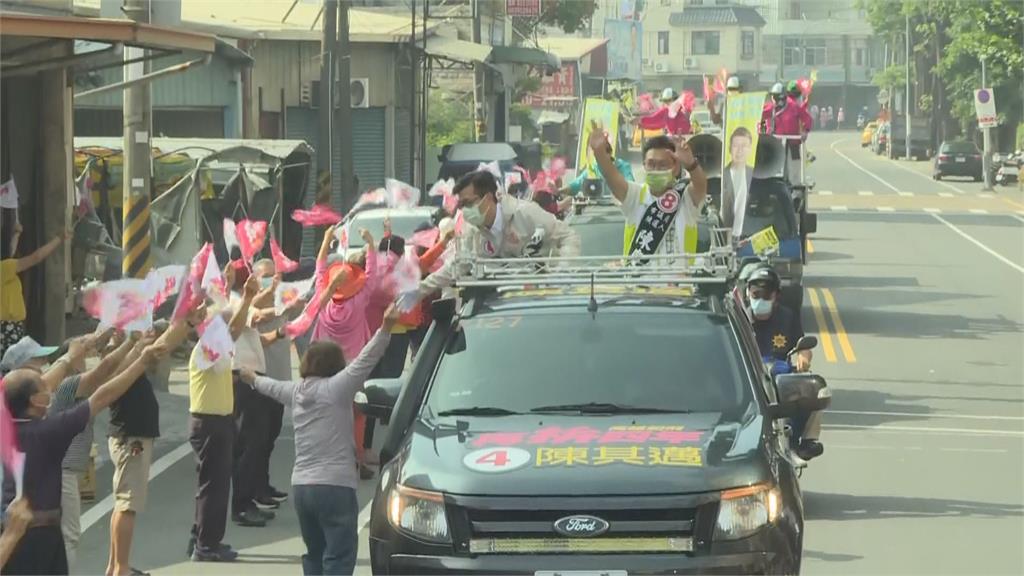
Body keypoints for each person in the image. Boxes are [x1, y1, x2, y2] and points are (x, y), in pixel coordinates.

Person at [238, 305, 399, 576]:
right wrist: (385, 328)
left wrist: (249, 376)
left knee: (314, 554)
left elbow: (266, 385)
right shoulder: (338, 388)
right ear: (336, 365)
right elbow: (367, 358)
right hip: (336, 485)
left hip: (302, 487)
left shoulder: (294, 392)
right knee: (338, 555)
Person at [1, 335, 168, 575]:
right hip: (41, 536)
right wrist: (141, 361)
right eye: (43, 388)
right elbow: (102, 396)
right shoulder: (50, 431)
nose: (49, 387)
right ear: (36, 401)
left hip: (9, 532)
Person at [397, 170, 581, 310]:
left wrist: (561, 272)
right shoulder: (472, 231)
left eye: (468, 203)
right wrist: (420, 290)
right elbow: (456, 266)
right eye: (461, 205)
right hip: (501, 307)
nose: (464, 210)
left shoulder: (525, 213)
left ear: (488, 198)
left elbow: (568, 236)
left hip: (545, 301)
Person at [45, 329, 134, 571]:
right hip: (62, 472)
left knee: (58, 535)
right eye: (84, 351)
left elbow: (113, 373)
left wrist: (132, 348)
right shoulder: (68, 384)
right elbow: (105, 371)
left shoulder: (65, 384)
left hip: (60, 470)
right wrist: (131, 342)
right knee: (69, 536)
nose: (88, 355)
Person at [185, 276, 259, 562]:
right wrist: (249, 297)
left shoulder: (212, 348)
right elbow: (235, 330)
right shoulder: (207, 347)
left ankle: (200, 536)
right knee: (214, 487)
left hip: (216, 422)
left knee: (210, 484)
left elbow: (232, 330)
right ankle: (206, 546)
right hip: (211, 424)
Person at [310, 226, 380, 479]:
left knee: (327, 417)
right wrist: (371, 243)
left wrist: (326, 239)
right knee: (357, 415)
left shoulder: (323, 300)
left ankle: (327, 462)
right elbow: (372, 275)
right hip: (354, 367)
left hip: (324, 367)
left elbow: (319, 269)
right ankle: (355, 460)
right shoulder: (360, 301)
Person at [104, 323, 172, 576]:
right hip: (130, 437)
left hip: (132, 435)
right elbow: (127, 367)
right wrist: (135, 345)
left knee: (123, 502)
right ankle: (121, 568)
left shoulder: (128, 356)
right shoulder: (117, 361)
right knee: (127, 504)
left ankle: (115, 565)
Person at [590, 123, 707, 259]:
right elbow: (612, 176)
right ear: (644, 165)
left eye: (663, 165)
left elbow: (700, 186)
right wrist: (599, 152)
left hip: (679, 279)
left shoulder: (685, 198)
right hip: (639, 278)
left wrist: (691, 164)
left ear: (675, 167)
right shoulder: (634, 196)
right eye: (651, 164)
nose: (656, 170)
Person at [745, 267, 822, 461]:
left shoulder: (788, 317)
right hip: (748, 374)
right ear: (748, 293)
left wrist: (804, 358)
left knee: (814, 388)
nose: (760, 299)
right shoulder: (741, 319)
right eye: (756, 294)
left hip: (781, 376)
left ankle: (804, 442)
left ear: (776, 296)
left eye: (766, 294)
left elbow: (803, 346)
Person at [228, 269, 282, 529]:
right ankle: (242, 505)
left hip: (252, 379)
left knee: (256, 443)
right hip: (242, 380)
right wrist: (287, 304)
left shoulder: (239, 302)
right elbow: (255, 316)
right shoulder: (231, 304)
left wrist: (280, 333)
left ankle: (248, 499)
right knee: (249, 445)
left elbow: (257, 336)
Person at [248, 259, 300, 511]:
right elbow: (255, 313)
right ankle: (254, 491)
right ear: (256, 278)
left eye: (273, 275)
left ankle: (263, 485)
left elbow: (304, 305)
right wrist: (275, 300)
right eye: (265, 276)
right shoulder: (249, 305)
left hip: (280, 381)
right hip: (258, 383)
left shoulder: (284, 301)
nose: (271, 279)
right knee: (255, 441)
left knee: (269, 439)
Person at [1, 224, 68, 357]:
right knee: (13, 366)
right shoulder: (4, 268)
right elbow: (35, 258)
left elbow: (11, 254)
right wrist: (59, 239)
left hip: (7, 327)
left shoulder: (5, 268)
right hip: (8, 328)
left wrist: (17, 235)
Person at [560, 142, 635, 197]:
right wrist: (559, 191)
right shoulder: (593, 168)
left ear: (609, 153)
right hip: (596, 209)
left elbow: (630, 184)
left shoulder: (623, 167)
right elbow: (576, 184)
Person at [721, 127, 755, 237]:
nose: (740, 150)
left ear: (750, 149)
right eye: (736, 146)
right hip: (723, 240)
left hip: (749, 239)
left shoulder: (756, 175)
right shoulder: (721, 176)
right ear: (730, 149)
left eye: (744, 146)